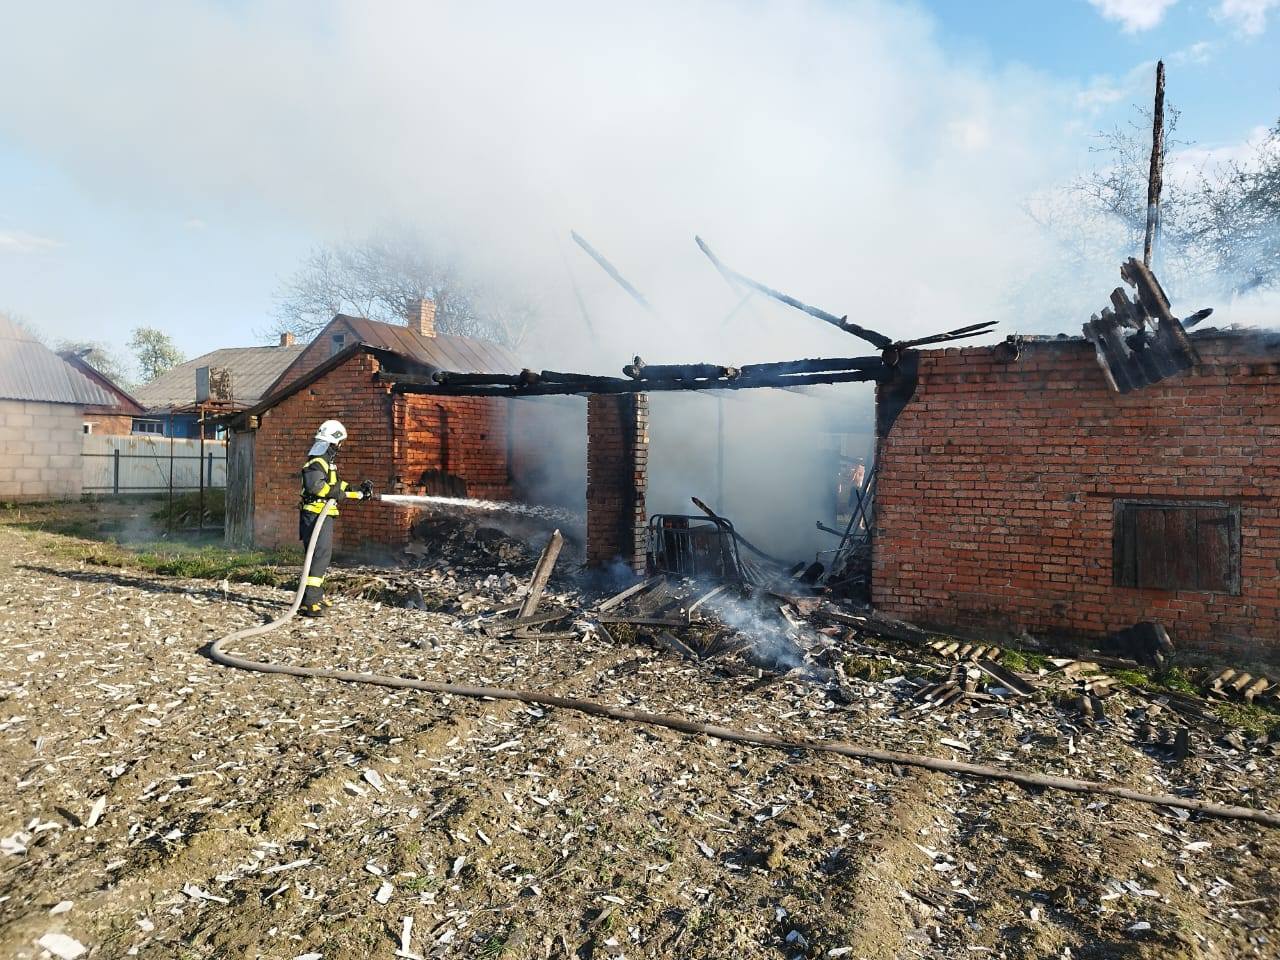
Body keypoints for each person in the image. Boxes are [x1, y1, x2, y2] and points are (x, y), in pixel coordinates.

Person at [298, 419, 374, 617]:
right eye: (340, 443)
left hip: (321, 515)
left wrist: (357, 490)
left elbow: (337, 485)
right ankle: (310, 603)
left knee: (320, 556)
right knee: (319, 556)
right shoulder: (317, 461)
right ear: (334, 441)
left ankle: (314, 596)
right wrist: (339, 493)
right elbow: (316, 487)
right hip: (315, 514)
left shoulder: (326, 461)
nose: (341, 446)